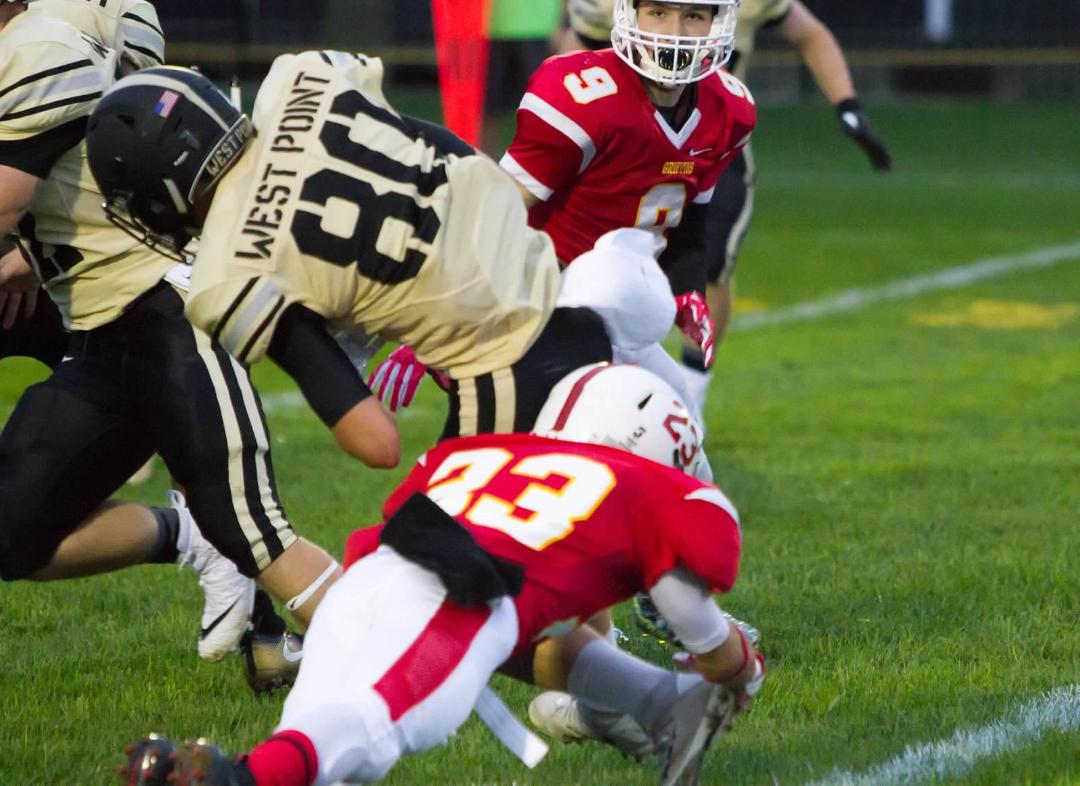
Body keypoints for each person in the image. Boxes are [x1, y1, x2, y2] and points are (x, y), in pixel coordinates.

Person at [119, 363, 764, 786]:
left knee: (316, 740)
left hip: (367, 583)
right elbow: (691, 617)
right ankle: (234, 778)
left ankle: (662, 703)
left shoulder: (478, 452)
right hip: (458, 604)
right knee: (368, 731)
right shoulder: (648, 487)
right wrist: (736, 666)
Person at [0, 0, 338, 664]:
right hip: (101, 332)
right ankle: (192, 537)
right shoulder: (47, 39)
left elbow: (7, 202)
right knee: (12, 532)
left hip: (167, 315)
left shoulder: (36, 51)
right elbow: (76, 188)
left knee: (258, 538)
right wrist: (33, 258)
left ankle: (417, 657)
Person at [85, 52, 613, 447]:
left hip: (507, 360)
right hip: (573, 293)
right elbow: (444, 151)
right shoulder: (299, 75)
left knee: (426, 554)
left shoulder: (225, 278)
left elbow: (377, 442)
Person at [553, 0, 893, 411]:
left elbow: (808, 33)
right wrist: (560, 118)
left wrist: (847, 104)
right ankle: (584, 382)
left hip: (710, 147)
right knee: (592, 262)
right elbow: (577, 53)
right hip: (622, 147)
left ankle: (690, 398)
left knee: (710, 263)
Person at [500, 0, 756, 418]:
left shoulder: (728, 108)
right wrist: (451, 315)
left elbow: (689, 223)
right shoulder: (581, 94)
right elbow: (494, 212)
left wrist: (688, 290)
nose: (675, 32)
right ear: (628, 13)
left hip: (621, 310)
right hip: (543, 301)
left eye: (693, 15)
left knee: (685, 433)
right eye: (658, 12)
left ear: (717, 22)